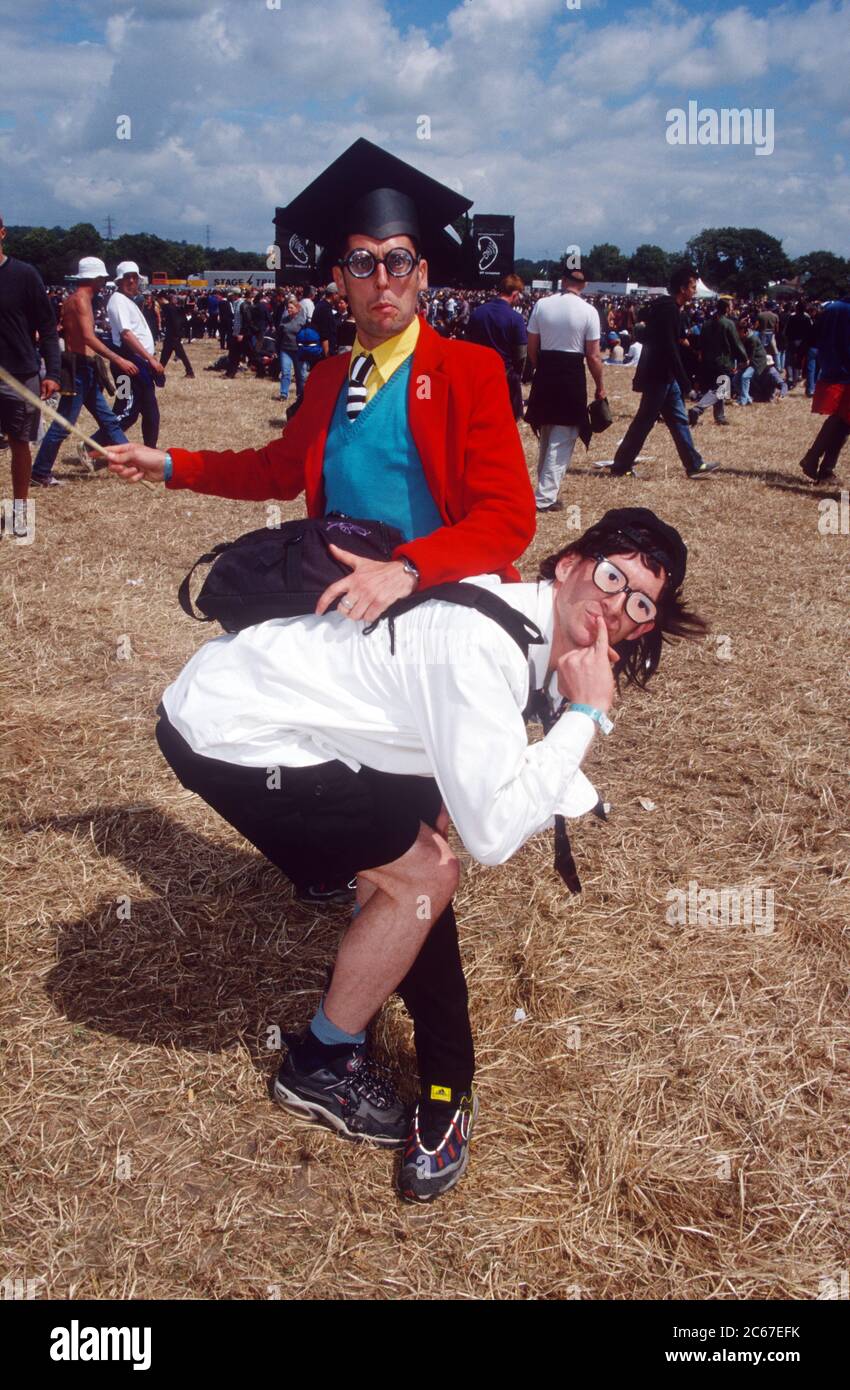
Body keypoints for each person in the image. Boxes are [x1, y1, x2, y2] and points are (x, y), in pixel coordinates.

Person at [105, 136, 536, 1202]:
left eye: (398, 261)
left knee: (428, 863)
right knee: (403, 857)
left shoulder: (467, 370)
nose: (380, 280)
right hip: (339, 649)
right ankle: (352, 1016)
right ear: (335, 277)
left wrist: (407, 568)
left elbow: (507, 519)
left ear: (425, 274)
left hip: (429, 647)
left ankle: (442, 1084)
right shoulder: (335, 374)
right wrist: (167, 465)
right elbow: (271, 467)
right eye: (360, 262)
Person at [141, 506, 705, 1202]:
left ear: (644, 626)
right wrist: (586, 717)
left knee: (418, 834)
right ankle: (321, 1062)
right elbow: (494, 835)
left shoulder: (520, 620)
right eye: (612, 576)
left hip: (253, 700)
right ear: (567, 566)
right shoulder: (480, 648)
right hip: (229, 733)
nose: (616, 605)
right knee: (427, 873)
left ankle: (399, 1022)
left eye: (639, 602)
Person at [30, 257, 135, 486]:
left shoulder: (71, 300)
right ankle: (39, 472)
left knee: (109, 421)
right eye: (102, 279)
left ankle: (131, 462)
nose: (103, 283)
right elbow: (88, 337)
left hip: (82, 367)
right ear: (96, 278)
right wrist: (118, 358)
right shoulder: (82, 300)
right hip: (79, 368)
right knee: (63, 425)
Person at [608, 266, 719, 479]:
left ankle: (694, 464)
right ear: (682, 288)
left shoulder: (670, 308)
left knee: (678, 419)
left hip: (665, 376)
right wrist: (686, 383)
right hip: (658, 376)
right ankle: (621, 465)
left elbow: (676, 341)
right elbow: (669, 348)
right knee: (644, 421)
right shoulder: (668, 309)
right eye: (693, 287)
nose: (695, 291)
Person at [525, 267, 605, 512]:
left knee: (547, 433)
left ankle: (543, 491)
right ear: (584, 284)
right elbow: (593, 356)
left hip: (546, 368)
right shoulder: (589, 311)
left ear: (563, 281)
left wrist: (541, 368)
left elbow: (531, 346)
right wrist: (600, 386)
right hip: (571, 372)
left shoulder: (542, 304)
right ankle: (545, 497)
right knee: (563, 437)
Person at [0, 210, 61, 532]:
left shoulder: (24, 275)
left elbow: (48, 329)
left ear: (2, 233)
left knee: (19, 443)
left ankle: (19, 516)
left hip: (19, 374)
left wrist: (53, 372)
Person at [106, 262, 165, 448]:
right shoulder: (117, 300)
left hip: (139, 364)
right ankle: (92, 446)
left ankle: (150, 450)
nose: (132, 281)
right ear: (119, 281)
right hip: (127, 365)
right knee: (127, 411)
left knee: (149, 411)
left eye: (134, 277)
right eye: (127, 278)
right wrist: (150, 359)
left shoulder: (127, 301)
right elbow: (126, 334)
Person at [799, 291, 850, 482]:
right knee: (841, 420)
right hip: (846, 372)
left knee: (843, 422)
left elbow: (812, 339)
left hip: (829, 368)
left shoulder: (831, 308)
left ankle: (825, 468)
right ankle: (814, 459)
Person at [465, 272, 528, 421]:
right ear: (515, 294)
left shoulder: (477, 313)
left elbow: (467, 345)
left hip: (477, 377)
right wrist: (517, 374)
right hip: (504, 377)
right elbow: (521, 354)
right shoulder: (516, 318)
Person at [688, 298, 748, 428]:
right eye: (730, 306)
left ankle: (719, 417)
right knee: (721, 389)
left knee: (718, 387)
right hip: (723, 361)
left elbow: (700, 344)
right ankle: (698, 409)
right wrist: (744, 357)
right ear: (727, 308)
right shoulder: (728, 324)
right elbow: (735, 342)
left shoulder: (707, 323)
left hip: (708, 361)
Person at [274, 294, 307, 402]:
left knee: (300, 374)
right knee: (285, 372)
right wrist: (276, 349)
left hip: (298, 350)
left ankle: (300, 394)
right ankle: (284, 393)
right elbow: (279, 335)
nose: (289, 310)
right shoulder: (284, 320)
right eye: (288, 308)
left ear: (297, 309)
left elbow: (307, 336)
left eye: (291, 308)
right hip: (285, 349)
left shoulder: (302, 321)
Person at [159, 292, 194, 378]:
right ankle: (159, 371)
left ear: (162, 299)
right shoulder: (174, 307)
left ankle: (190, 371)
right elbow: (182, 319)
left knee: (170, 354)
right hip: (175, 334)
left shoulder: (167, 308)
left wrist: (176, 333)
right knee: (166, 354)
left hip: (172, 335)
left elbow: (174, 322)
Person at [311, 283, 340, 357]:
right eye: (338, 294)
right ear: (334, 294)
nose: (340, 297)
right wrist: (327, 354)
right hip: (324, 351)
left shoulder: (322, 305)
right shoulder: (324, 308)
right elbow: (324, 333)